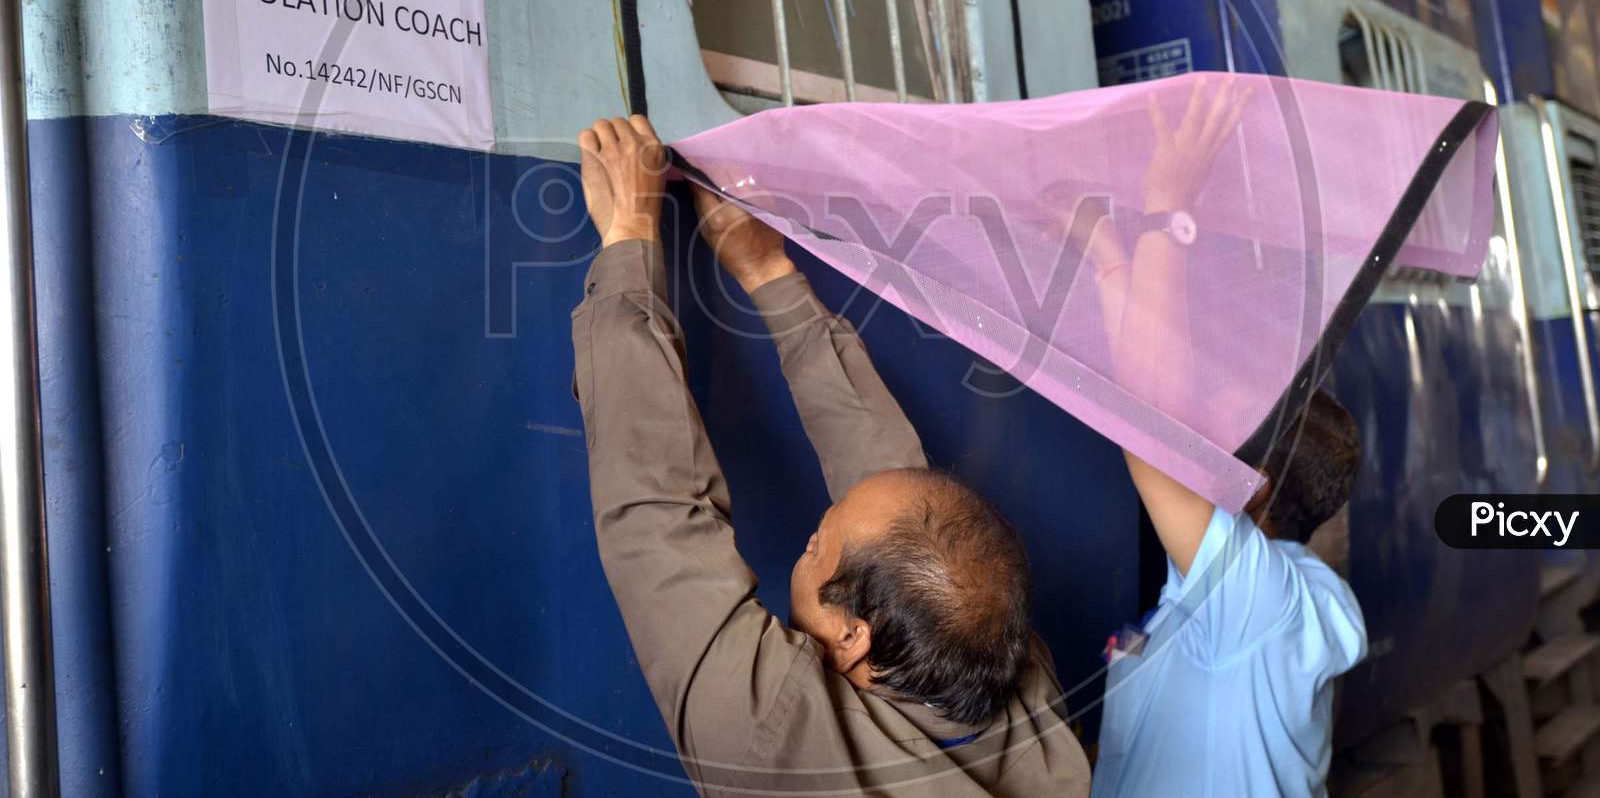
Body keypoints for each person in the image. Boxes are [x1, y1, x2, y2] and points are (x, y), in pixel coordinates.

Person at [570, 114, 1091, 796]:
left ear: (853, 638)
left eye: (817, 543)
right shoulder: (1015, 681)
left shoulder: (776, 741)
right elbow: (891, 481)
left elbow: (657, 519)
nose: (811, 535)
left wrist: (628, 238)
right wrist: (769, 272)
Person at [1083, 83, 1368, 797]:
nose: (1197, 423)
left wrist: (1166, 210)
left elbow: (1147, 425)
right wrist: (1101, 251)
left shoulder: (1257, 601)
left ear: (1258, 484)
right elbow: (1145, 404)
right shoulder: (1252, 589)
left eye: (1221, 428)